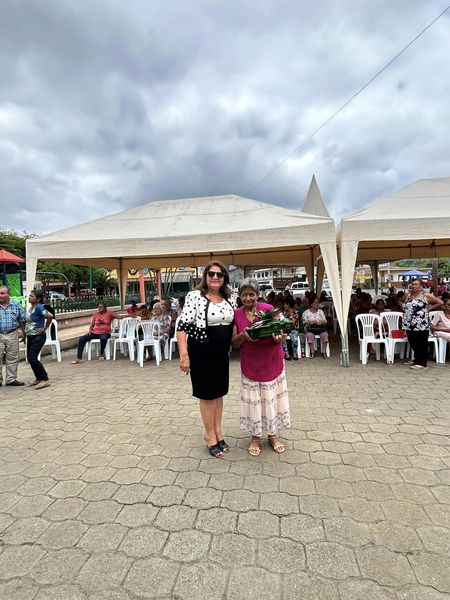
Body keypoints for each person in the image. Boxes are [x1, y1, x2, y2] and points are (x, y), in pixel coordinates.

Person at [177, 261, 234, 458]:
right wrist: (184, 356)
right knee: (208, 395)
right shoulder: (195, 296)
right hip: (202, 352)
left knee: (219, 394)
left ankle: (218, 432)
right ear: (205, 276)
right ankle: (209, 435)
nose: (215, 277)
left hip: (221, 354)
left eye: (219, 274)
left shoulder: (229, 298)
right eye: (211, 274)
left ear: (224, 278)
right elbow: (182, 328)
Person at [232, 278, 291, 456]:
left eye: (251, 294)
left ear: (258, 294)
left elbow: (282, 330)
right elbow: (233, 343)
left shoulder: (269, 309)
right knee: (254, 401)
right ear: (239, 296)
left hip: (271, 360)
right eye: (244, 295)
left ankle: (272, 435)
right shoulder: (236, 314)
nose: (248, 298)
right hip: (250, 363)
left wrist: (280, 338)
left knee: (271, 399)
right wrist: (243, 336)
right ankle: (255, 437)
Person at [403, 279, 443, 370]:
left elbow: (440, 302)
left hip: (421, 323)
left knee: (421, 342)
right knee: (412, 341)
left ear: (421, 286)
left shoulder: (426, 295)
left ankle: (422, 363)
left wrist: (428, 309)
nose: (413, 286)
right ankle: (416, 360)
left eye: (416, 284)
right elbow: (400, 301)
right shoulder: (408, 295)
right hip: (409, 323)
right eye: (412, 284)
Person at [25, 290, 53, 389]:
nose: (29, 297)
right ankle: (38, 378)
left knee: (33, 358)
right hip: (31, 336)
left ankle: (44, 379)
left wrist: (45, 327)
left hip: (38, 337)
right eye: (29, 296)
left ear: (38, 299)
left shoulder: (39, 307)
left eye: (32, 296)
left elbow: (50, 316)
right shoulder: (32, 307)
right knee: (30, 358)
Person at [0, 285, 26, 386]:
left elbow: (22, 319)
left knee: (13, 357)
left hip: (12, 334)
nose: (0, 295)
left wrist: (23, 332)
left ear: (8, 294)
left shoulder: (16, 304)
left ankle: (11, 379)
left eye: (2, 293)